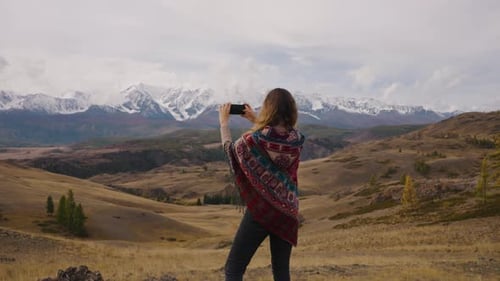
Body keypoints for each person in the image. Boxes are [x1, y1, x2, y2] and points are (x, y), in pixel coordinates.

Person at [219, 88, 305, 281]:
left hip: (260, 211)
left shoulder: (253, 140)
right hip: (287, 212)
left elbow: (231, 152)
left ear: (268, 109)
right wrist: (255, 120)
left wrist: (224, 123)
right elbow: (275, 137)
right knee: (281, 271)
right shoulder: (297, 140)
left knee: (234, 269)